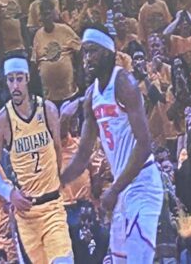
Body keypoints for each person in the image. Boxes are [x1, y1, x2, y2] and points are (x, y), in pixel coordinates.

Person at [62, 27, 162, 264]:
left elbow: (145, 145)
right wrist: (56, 185)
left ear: (108, 53)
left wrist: (115, 189)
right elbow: (83, 153)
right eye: (84, 53)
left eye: (92, 52)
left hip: (142, 185)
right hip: (121, 189)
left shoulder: (124, 83)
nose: (87, 60)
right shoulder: (91, 96)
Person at [0, 55, 70, 264]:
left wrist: (55, 182)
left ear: (28, 78)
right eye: (11, 79)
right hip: (27, 214)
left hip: (52, 207)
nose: (15, 85)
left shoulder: (48, 110)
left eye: (19, 79)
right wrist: (9, 192)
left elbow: (57, 151)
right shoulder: (2, 120)